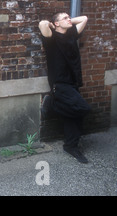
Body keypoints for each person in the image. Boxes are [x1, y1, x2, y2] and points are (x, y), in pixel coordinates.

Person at [39, 12, 91, 163]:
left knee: (74, 117)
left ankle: (71, 146)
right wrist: (53, 24)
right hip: (60, 84)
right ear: (56, 23)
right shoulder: (51, 39)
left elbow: (84, 18)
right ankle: (53, 104)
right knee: (84, 108)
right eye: (65, 18)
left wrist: (65, 22)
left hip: (73, 82)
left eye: (69, 17)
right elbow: (42, 24)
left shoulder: (71, 34)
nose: (69, 20)